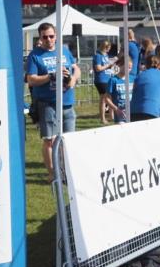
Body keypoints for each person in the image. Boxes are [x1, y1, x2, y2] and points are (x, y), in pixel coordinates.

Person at [25, 22, 80, 182]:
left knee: (69, 141)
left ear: (56, 36)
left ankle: (67, 172)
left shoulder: (64, 50)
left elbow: (76, 68)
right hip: (47, 104)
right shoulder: (35, 55)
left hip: (68, 102)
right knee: (49, 140)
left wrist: (73, 79)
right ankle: (52, 174)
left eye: (51, 36)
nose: (49, 40)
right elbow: (31, 80)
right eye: (45, 37)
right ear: (40, 38)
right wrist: (51, 76)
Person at [130, 53, 160, 121]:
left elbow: (134, 92)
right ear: (159, 65)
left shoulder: (139, 75)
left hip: (134, 111)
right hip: (152, 111)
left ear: (146, 65)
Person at [92, 40, 116, 124]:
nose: (109, 50)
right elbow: (98, 68)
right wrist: (107, 66)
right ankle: (103, 118)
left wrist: (110, 66)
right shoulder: (98, 56)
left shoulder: (105, 55)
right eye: (108, 48)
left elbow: (106, 66)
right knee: (104, 99)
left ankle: (111, 116)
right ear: (104, 47)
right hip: (101, 80)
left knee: (109, 98)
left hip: (108, 78)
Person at [106, 55, 130, 124]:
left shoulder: (132, 79)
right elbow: (107, 98)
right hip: (120, 115)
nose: (129, 69)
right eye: (127, 67)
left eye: (130, 68)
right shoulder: (113, 80)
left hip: (132, 113)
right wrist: (116, 109)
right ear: (119, 65)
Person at [126, 28, 141, 98]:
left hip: (136, 71)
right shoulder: (128, 45)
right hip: (130, 72)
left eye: (132, 32)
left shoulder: (136, 44)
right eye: (130, 33)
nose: (132, 34)